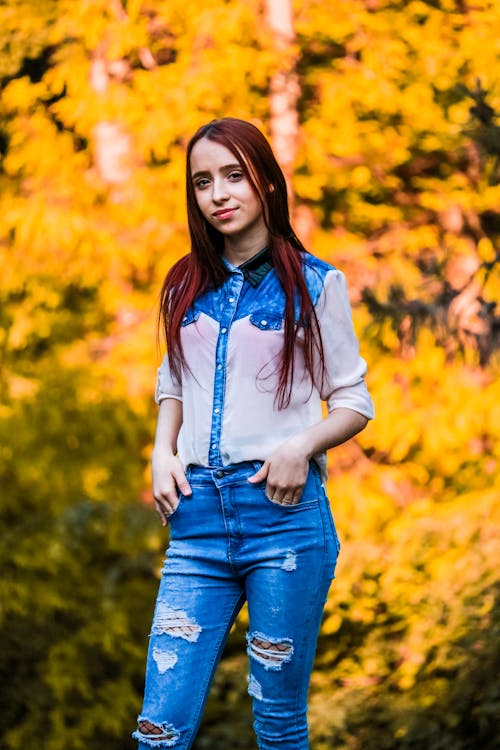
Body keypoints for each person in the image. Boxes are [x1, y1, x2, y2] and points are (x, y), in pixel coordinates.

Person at [133, 117, 374, 750]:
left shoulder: (317, 285)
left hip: (283, 520)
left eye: (234, 176)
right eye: (203, 182)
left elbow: (353, 401)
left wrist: (301, 445)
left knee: (278, 725)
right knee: (159, 730)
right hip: (196, 523)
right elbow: (173, 379)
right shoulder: (185, 284)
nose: (218, 194)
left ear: (266, 180)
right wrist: (161, 451)